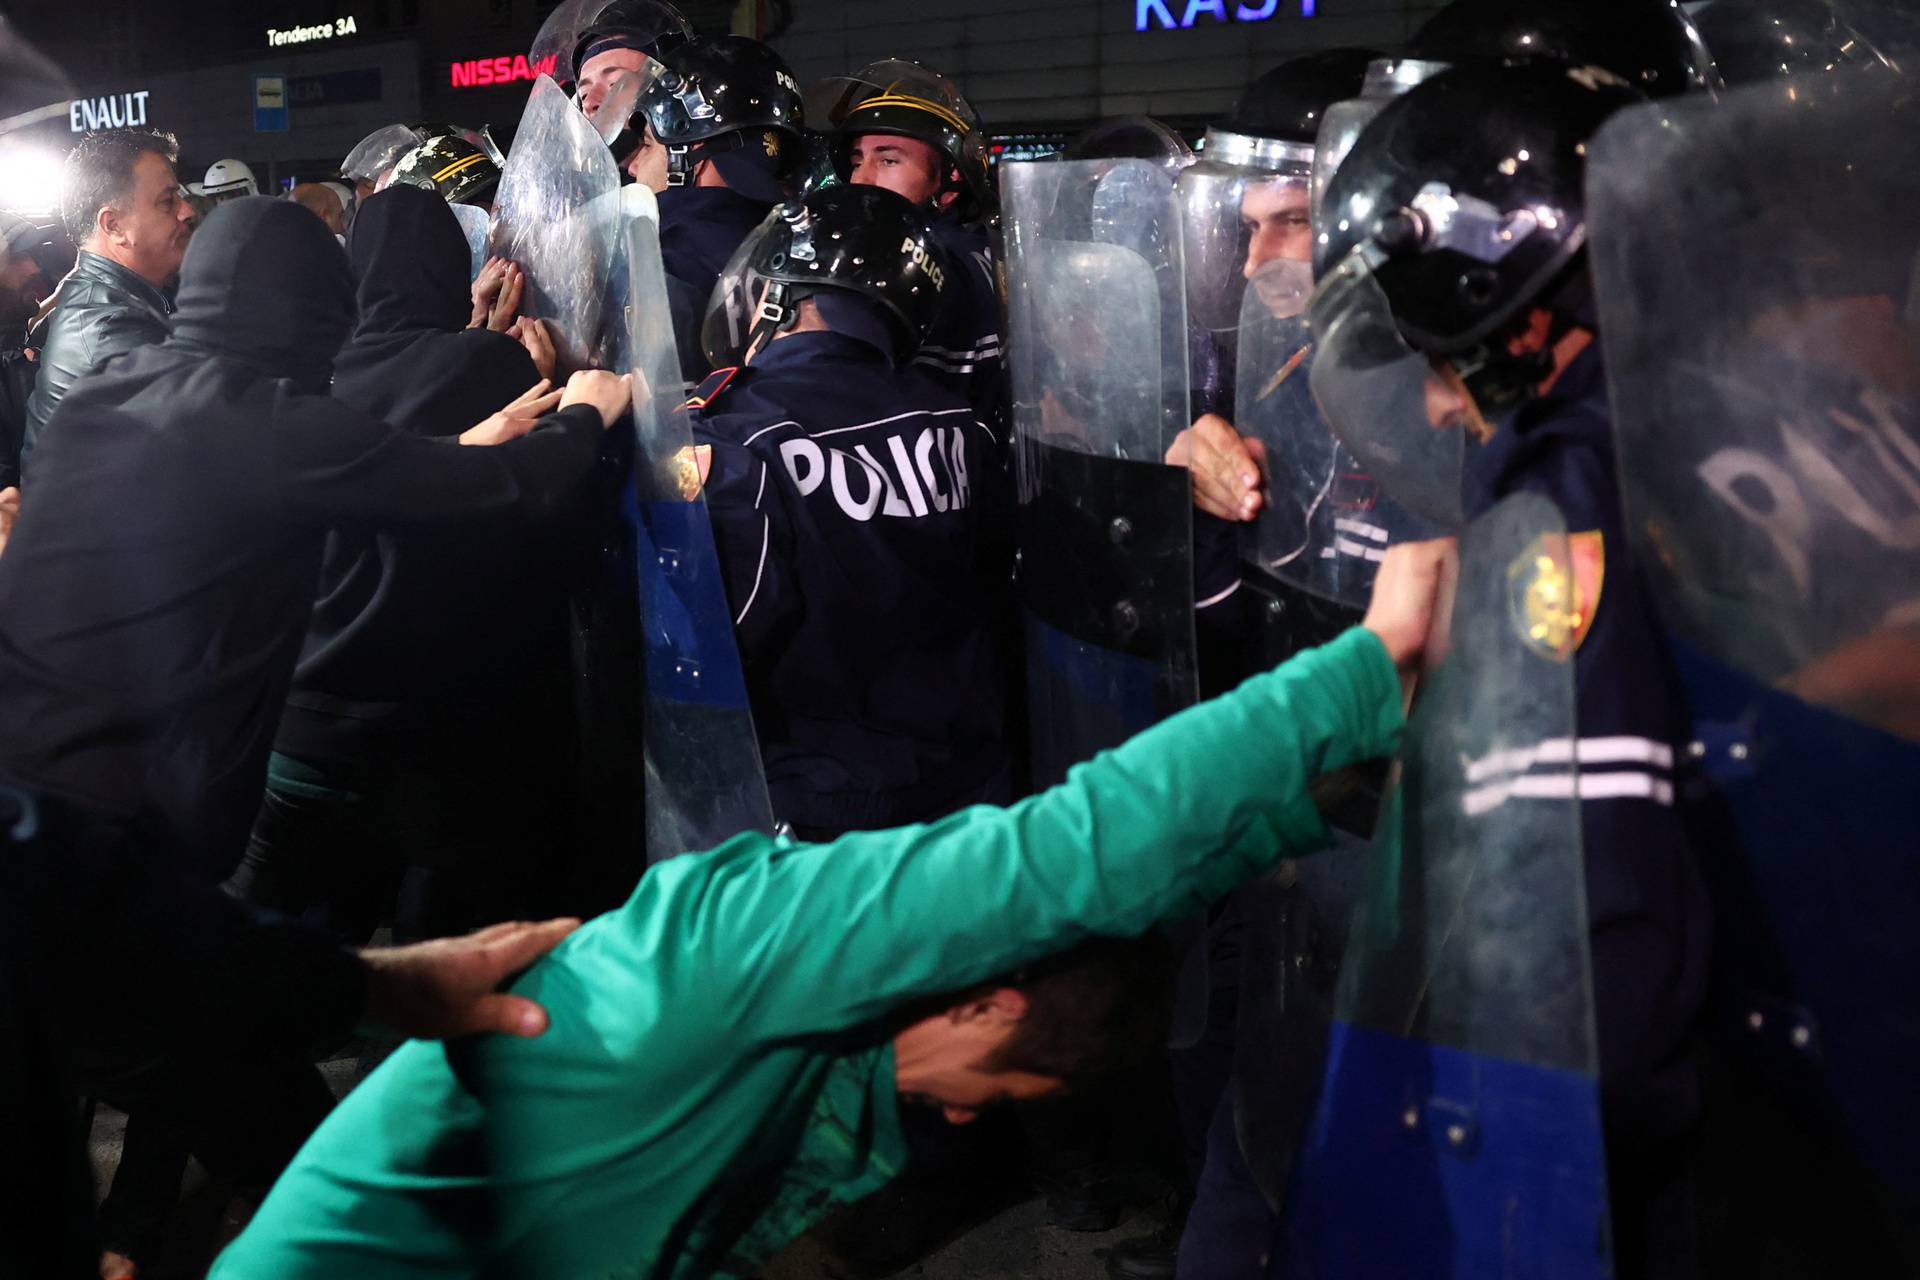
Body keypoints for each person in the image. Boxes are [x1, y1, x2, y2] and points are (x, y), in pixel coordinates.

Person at [210, 536, 1450, 1280]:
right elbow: (1078, 850)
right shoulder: (751, 943)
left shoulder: (810, 1044)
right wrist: (1367, 662)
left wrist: (1308, 803)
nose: (966, 1109)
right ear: (987, 987)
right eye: (1000, 1085)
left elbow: (1140, 890)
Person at [1311, 59, 1711, 1276]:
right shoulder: (1725, 417)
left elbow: (1594, 924)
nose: (1436, 407)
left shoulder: (1568, 494)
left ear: (1508, 295)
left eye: (1440, 354)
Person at [231, 184, 579, 946]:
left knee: (297, 966)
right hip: (441, 729)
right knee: (440, 960)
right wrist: (564, 387)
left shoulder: (317, 378)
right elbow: (549, 483)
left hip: (309, 717)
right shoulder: (490, 367)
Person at [691, 184, 1011, 838]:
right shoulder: (964, 421)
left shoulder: (737, 432)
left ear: (780, 295)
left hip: (819, 816)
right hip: (973, 796)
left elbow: (710, 645)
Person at [828, 59, 1006, 437]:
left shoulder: (925, 263)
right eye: (858, 160)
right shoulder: (980, 245)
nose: (862, 178)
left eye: (889, 160)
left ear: (953, 173)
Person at [613, 35, 805, 376]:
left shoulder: (652, 258)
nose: (632, 166)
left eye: (646, 145)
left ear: (690, 153)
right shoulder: (803, 248)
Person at [20, 127, 190, 464]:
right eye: (167, 201)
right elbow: (214, 439)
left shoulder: (132, 298)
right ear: (113, 225)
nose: (187, 211)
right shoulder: (107, 329)